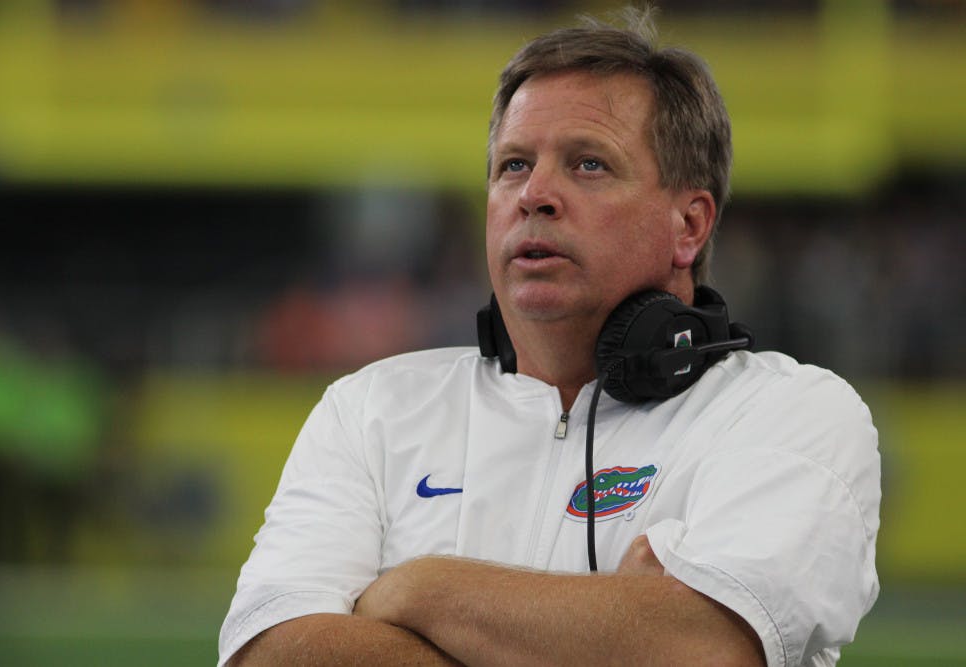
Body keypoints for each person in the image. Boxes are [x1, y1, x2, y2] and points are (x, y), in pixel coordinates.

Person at [218, 7, 880, 666]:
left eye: (588, 164)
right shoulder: (368, 411)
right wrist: (612, 631)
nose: (534, 193)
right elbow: (273, 654)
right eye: (512, 165)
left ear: (689, 225)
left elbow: (700, 648)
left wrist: (419, 589)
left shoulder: (791, 413)